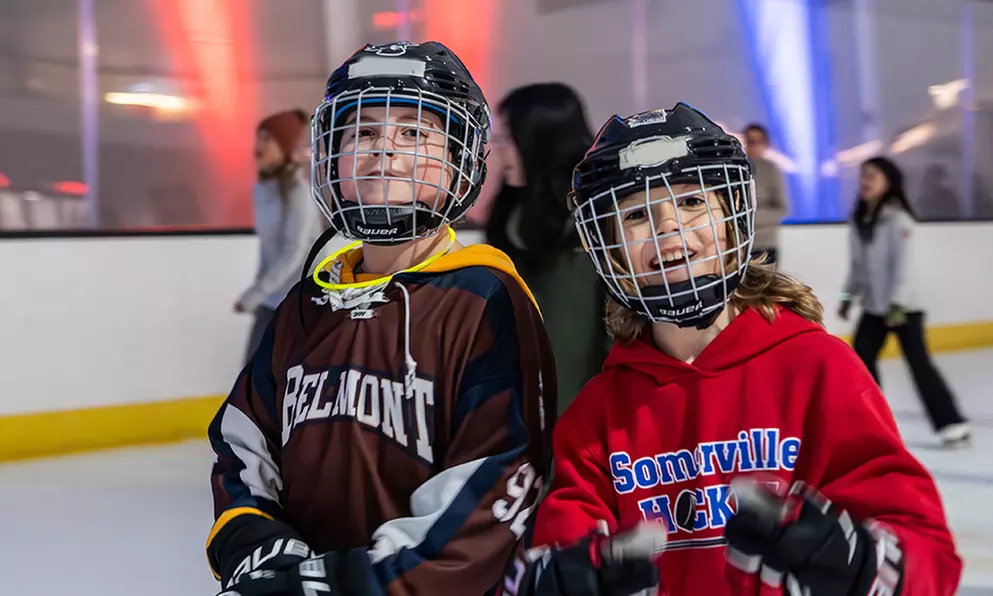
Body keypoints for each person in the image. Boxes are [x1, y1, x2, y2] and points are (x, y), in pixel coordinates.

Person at [530, 104, 962, 596]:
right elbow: (564, 545)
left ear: (731, 218)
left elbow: (928, 557)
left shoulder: (817, 370)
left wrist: (861, 562)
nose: (669, 227)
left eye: (691, 201)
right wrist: (568, 580)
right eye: (636, 214)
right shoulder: (598, 415)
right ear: (608, 245)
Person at [205, 41, 562, 596]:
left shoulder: (485, 302)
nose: (385, 151)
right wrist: (261, 550)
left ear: (459, 162)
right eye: (363, 132)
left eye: (414, 133)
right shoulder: (307, 303)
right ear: (333, 155)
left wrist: (335, 583)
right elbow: (244, 443)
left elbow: (490, 491)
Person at [485, 83, 608, 412]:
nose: (498, 150)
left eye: (507, 138)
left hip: (580, 409)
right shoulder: (511, 213)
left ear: (540, 139)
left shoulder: (596, 223)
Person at [839, 156, 970, 447]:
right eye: (863, 175)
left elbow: (904, 267)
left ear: (888, 182)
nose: (865, 181)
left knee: (918, 364)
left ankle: (952, 423)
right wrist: (847, 297)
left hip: (905, 308)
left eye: (872, 176)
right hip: (874, 306)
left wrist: (897, 305)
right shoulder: (860, 220)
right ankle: (871, 421)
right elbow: (857, 267)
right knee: (861, 361)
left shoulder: (899, 220)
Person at [237, 109, 324, 363]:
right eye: (258, 138)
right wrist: (260, 289)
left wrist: (256, 292)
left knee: (283, 371)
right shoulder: (262, 190)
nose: (259, 146)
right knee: (251, 371)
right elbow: (267, 250)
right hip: (272, 298)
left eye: (267, 139)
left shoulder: (298, 193)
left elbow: (294, 251)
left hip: (302, 301)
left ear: (284, 146)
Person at [742, 123, 789, 265]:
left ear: (765, 143)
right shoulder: (737, 168)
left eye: (757, 141)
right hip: (739, 243)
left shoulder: (772, 170)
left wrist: (751, 217)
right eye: (749, 141)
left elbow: (782, 208)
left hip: (765, 243)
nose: (753, 146)